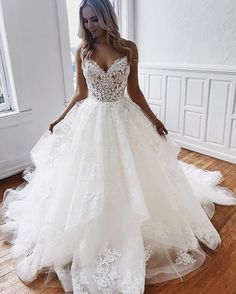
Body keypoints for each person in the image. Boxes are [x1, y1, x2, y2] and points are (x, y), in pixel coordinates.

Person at [0, 0, 236, 293]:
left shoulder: (128, 48)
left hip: (124, 116)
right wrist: (60, 117)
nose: (90, 26)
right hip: (92, 118)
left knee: (136, 177)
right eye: (85, 21)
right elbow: (80, 92)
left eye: (94, 19)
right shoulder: (83, 51)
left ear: (107, 17)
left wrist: (154, 119)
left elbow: (134, 91)